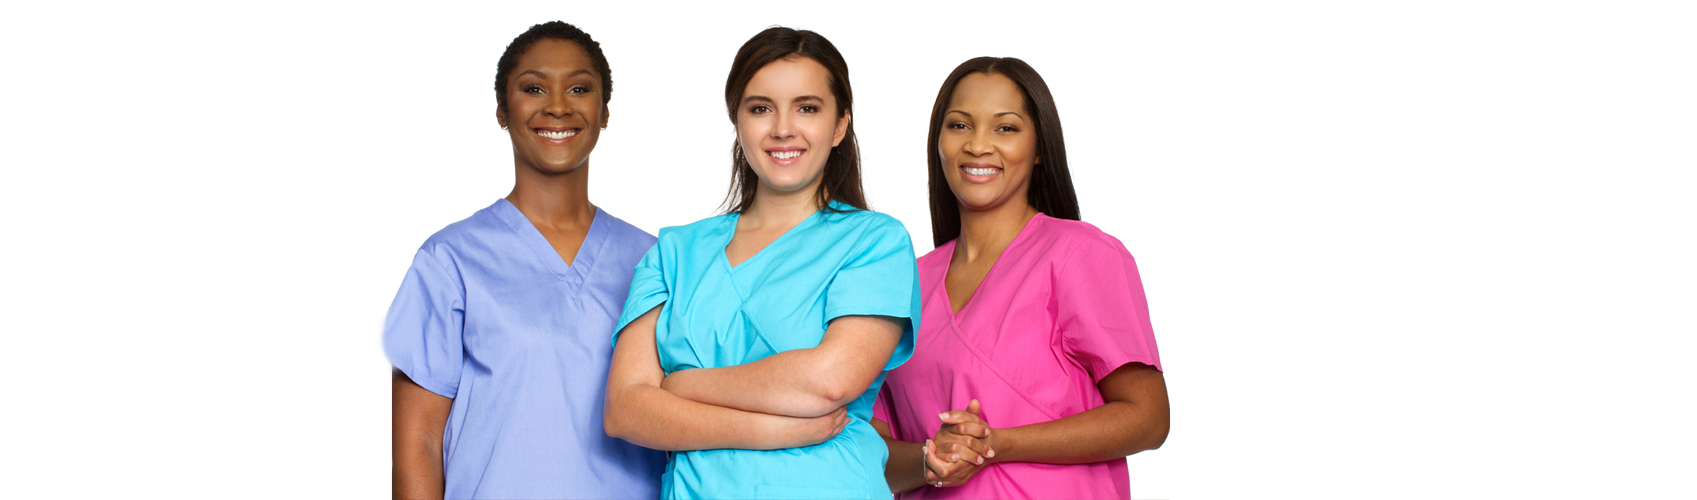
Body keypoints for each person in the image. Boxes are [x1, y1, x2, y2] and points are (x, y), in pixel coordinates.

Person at [603, 27, 922, 500]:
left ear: (839, 126)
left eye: (807, 108)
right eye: (760, 108)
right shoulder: (675, 251)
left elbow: (829, 382)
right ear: (738, 122)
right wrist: (776, 431)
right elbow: (626, 410)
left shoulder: (875, 242)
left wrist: (683, 384)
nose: (782, 128)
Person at [383, 21, 663, 500]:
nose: (557, 105)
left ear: (605, 112)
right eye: (534, 87)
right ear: (501, 110)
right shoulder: (450, 261)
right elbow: (420, 443)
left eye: (579, 88)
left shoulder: (654, 260)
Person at [870, 57, 1171, 499]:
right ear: (939, 142)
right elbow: (869, 455)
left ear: (1040, 147)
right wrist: (929, 460)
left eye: (1005, 128)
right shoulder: (903, 285)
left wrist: (1000, 444)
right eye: (959, 126)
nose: (978, 145)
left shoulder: (1079, 255)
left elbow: (1149, 418)